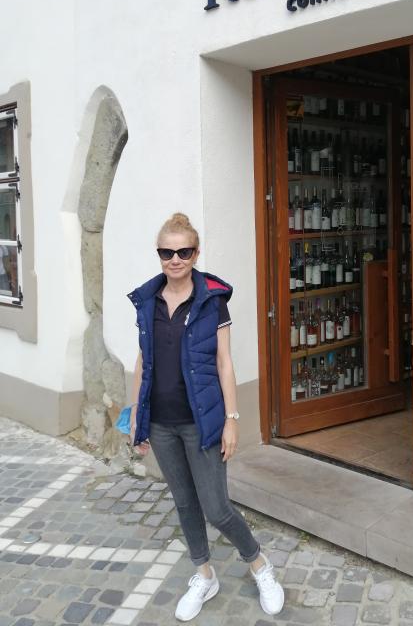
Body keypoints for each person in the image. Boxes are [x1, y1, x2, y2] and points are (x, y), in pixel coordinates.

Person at [128, 213, 284, 622]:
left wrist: (232, 418)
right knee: (184, 502)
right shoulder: (148, 301)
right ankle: (204, 574)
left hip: (201, 421)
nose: (175, 259)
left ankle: (259, 565)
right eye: (166, 252)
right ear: (159, 254)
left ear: (196, 253)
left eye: (183, 251)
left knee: (216, 508)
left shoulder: (212, 299)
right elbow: (144, 360)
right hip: (161, 423)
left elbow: (224, 362)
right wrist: (135, 414)